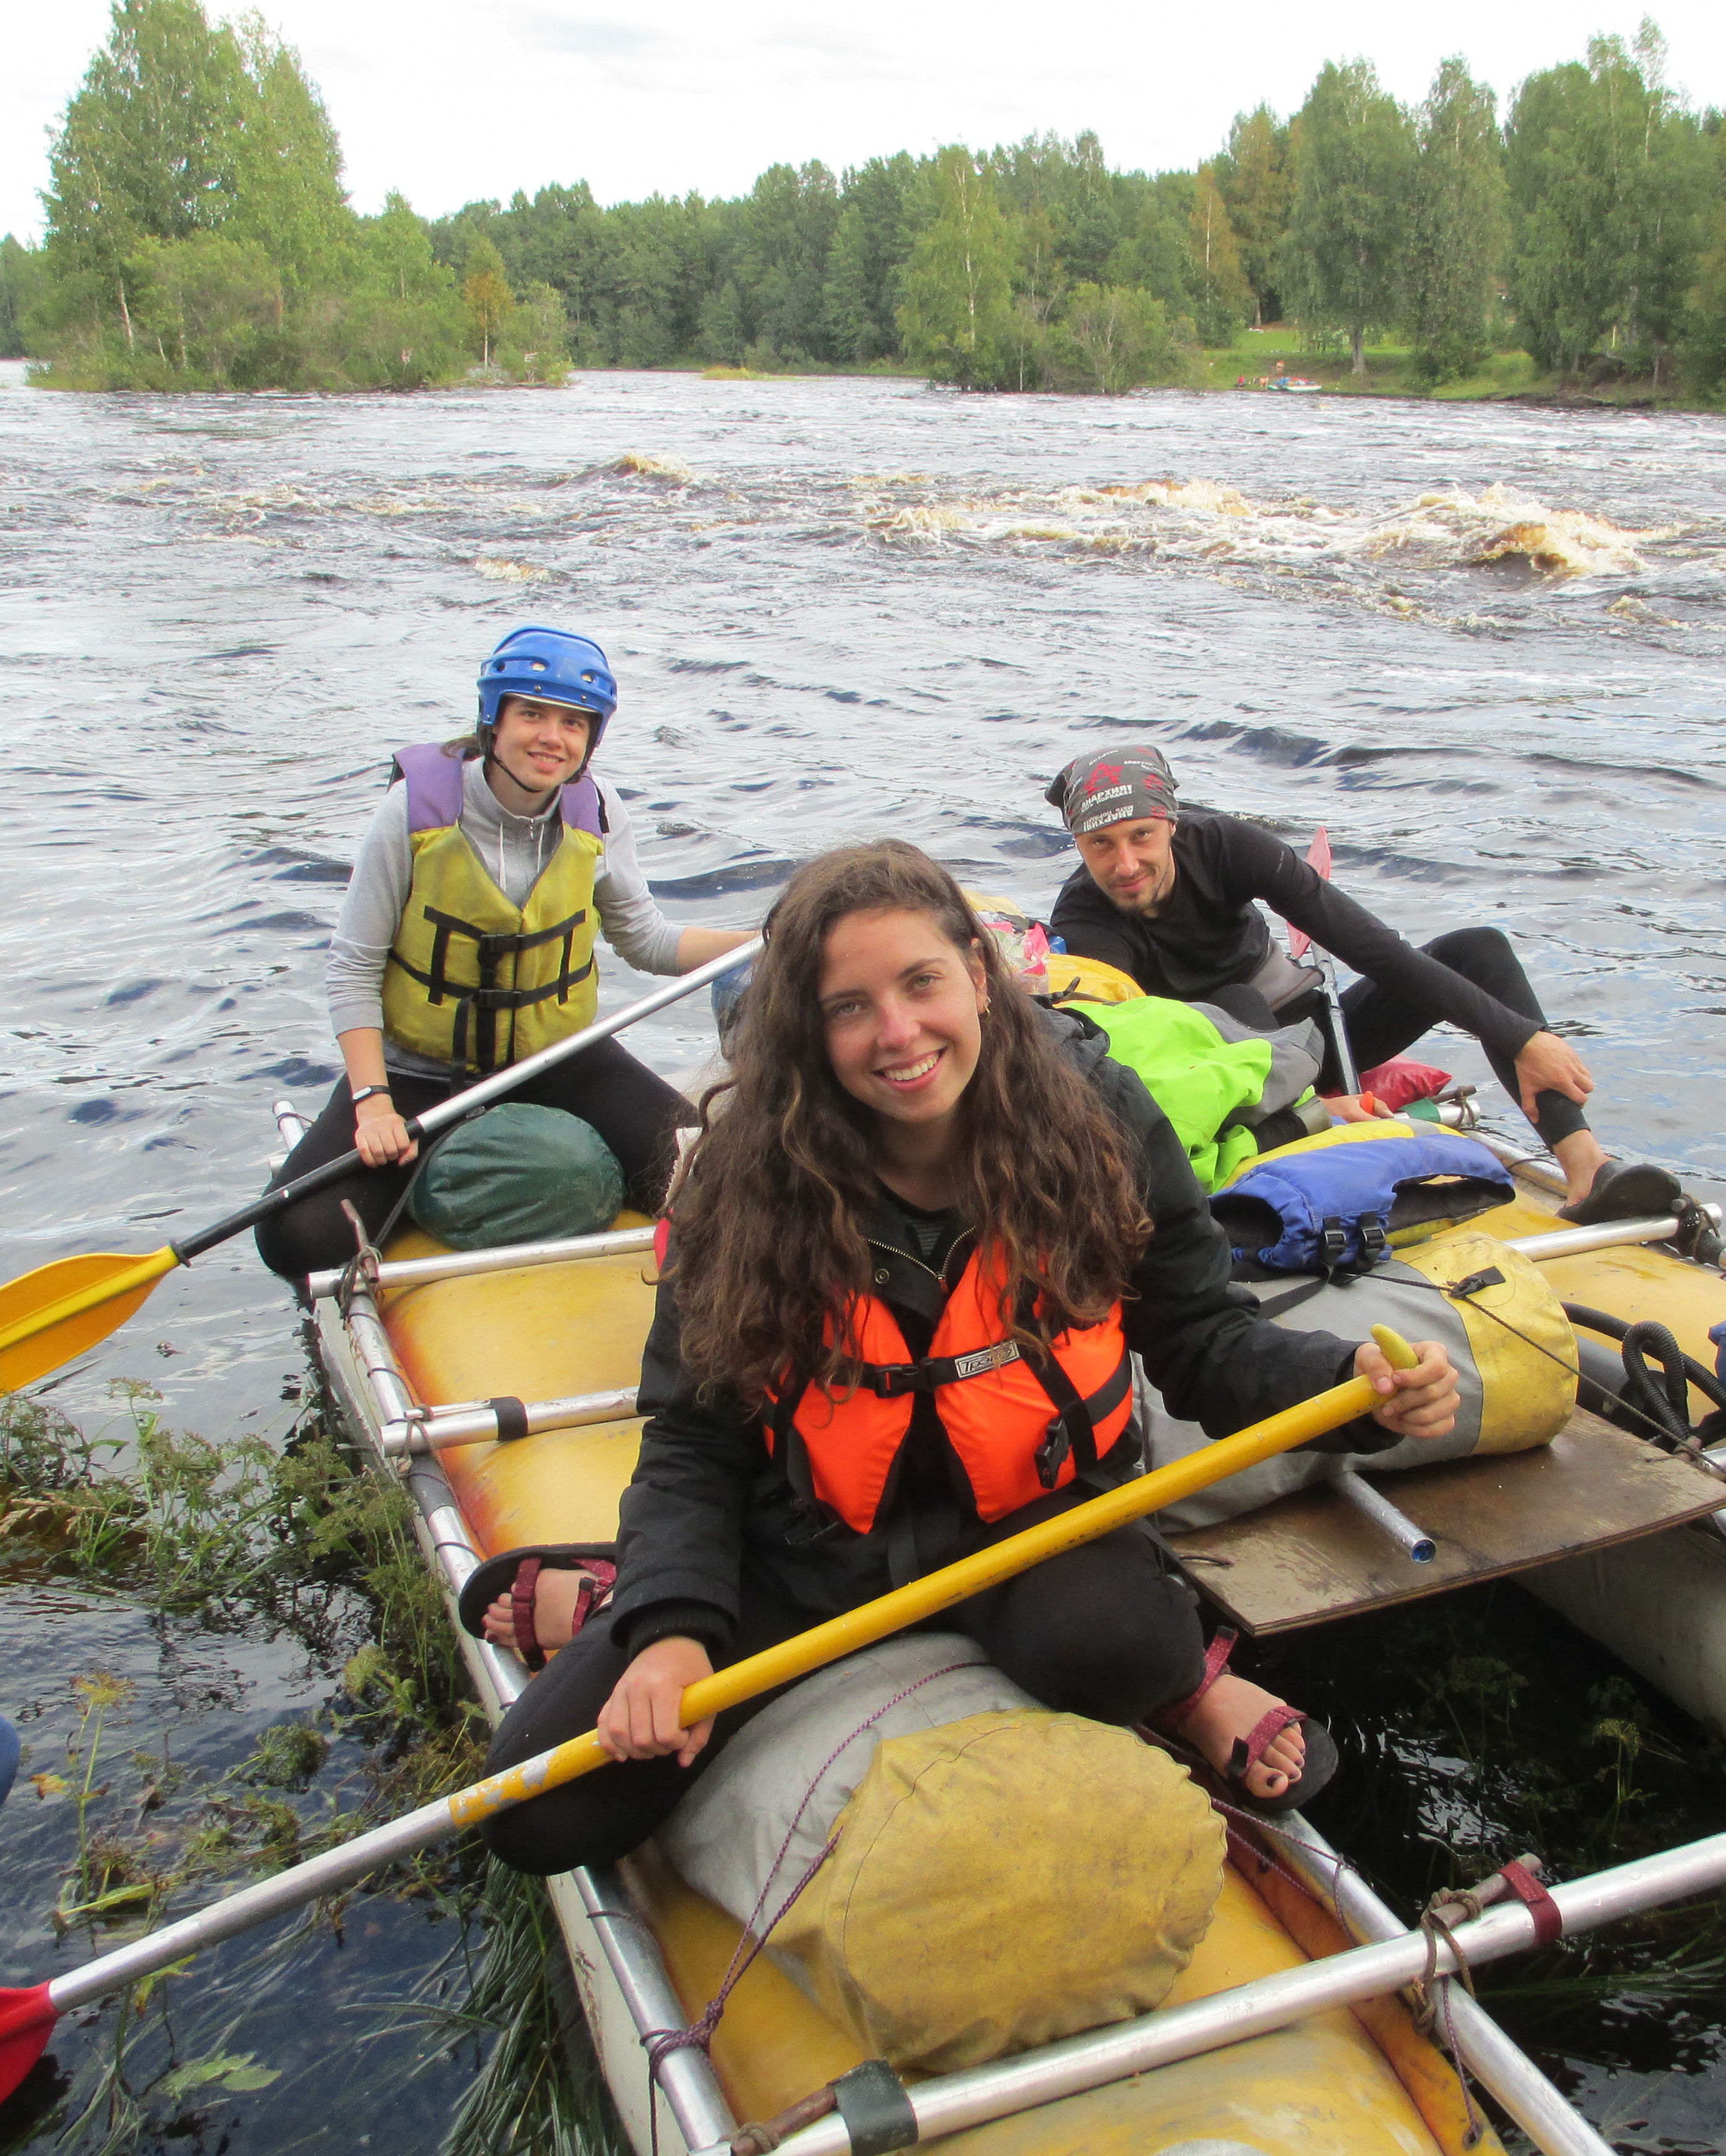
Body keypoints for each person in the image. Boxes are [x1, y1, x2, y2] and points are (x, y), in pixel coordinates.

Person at [475, 841, 1459, 1875]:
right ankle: (621, 1592)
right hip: (808, 1543)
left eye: (921, 983)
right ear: (804, 1031)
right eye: (846, 1006)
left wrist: (1344, 1389)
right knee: (539, 1816)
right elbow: (693, 1434)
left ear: (978, 979)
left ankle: (1183, 1681)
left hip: (1026, 1521)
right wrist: (672, 1625)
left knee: (1122, 1647)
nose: (896, 1033)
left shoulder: (1102, 1124)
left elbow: (1202, 1338)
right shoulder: (744, 1177)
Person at [253, 624, 753, 1281]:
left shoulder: (597, 810)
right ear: (494, 719)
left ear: (591, 739)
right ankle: (436, 1180)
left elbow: (648, 941)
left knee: (719, 1179)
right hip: (418, 1072)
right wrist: (373, 1101)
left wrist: (772, 936)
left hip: (557, 1059)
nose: (553, 737)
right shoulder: (413, 810)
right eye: (533, 714)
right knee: (296, 1239)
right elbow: (353, 965)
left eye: (574, 723)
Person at [1042, 745, 1676, 1221]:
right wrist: (1308, 1113)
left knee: (1478, 950)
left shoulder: (1229, 848)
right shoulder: (1084, 921)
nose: (1126, 865)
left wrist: (1521, 1036)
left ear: (1172, 824)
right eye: (1101, 845)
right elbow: (1139, 1063)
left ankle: (1586, 1168)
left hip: (1318, 1032)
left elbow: (1376, 950)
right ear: (1077, 843)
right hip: (1233, 1077)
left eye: (1141, 837)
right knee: (1228, 1006)